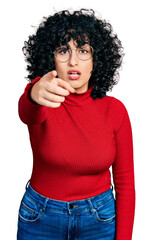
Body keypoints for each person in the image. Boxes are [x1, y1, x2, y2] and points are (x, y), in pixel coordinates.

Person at [17, 8, 135, 240]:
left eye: (83, 51)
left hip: (98, 218)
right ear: (50, 58)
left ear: (96, 59)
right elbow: (27, 111)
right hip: (41, 217)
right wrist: (33, 91)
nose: (73, 61)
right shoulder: (43, 100)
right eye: (63, 50)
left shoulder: (115, 110)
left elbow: (125, 183)